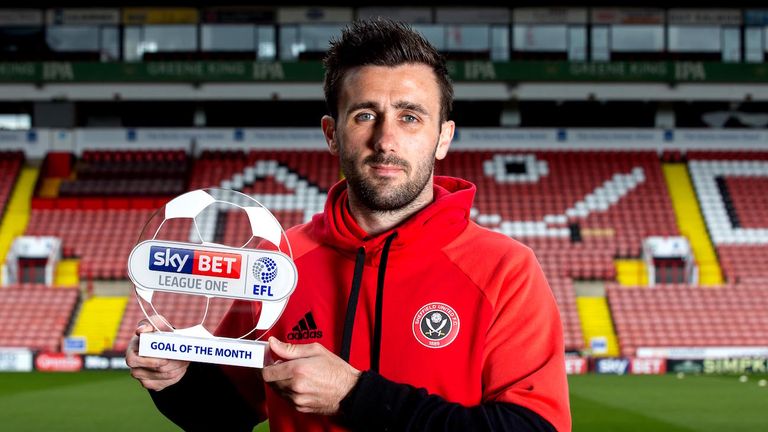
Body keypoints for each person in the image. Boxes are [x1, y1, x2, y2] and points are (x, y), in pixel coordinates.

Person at [127, 18, 570, 432]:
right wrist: (174, 379)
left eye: (410, 117)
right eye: (364, 115)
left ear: (444, 138)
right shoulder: (280, 261)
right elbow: (223, 410)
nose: (386, 140)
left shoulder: (506, 270)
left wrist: (355, 395)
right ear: (331, 133)